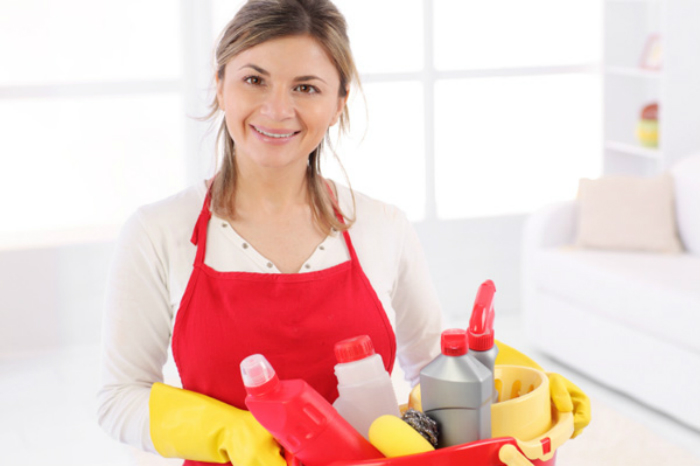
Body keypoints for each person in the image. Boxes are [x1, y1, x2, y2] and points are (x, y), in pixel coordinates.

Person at [97, 1, 589, 465]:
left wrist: (521, 390)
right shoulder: (158, 232)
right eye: (254, 80)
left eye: (306, 87)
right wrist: (229, 434)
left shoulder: (381, 226)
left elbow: (436, 366)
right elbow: (119, 398)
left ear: (339, 102)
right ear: (220, 84)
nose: (276, 109)